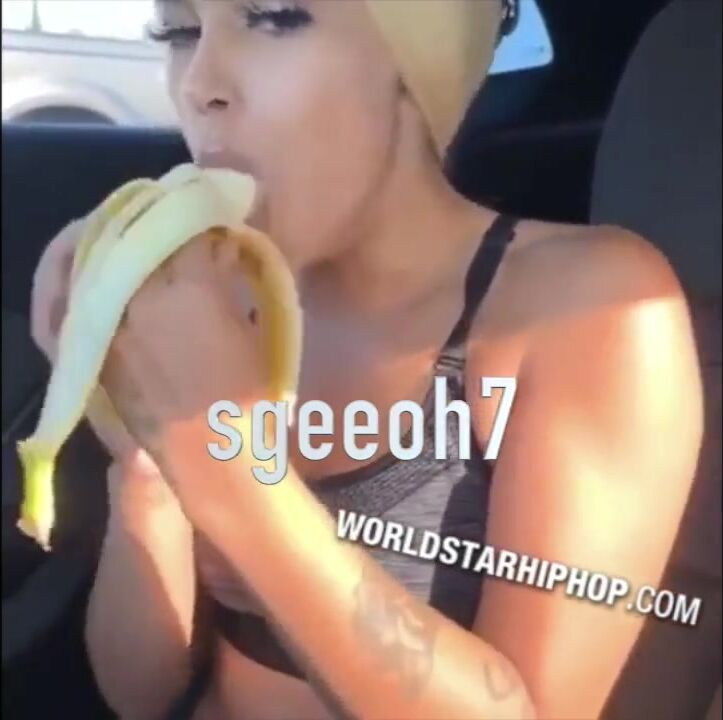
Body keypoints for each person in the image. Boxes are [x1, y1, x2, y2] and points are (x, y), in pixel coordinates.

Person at [30, 1, 704, 718]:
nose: (199, 82)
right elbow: (144, 694)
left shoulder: (586, 304)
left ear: (414, 61)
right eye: (179, 32)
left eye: (273, 17)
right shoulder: (214, 293)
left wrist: (231, 471)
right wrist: (145, 458)